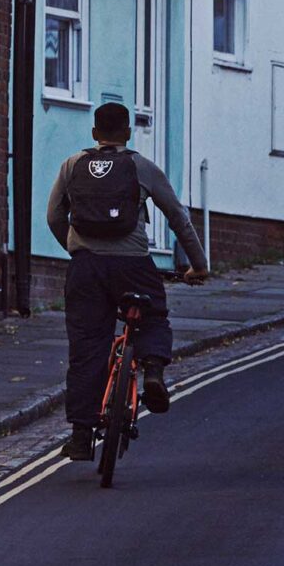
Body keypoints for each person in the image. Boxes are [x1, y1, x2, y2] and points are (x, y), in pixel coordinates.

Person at [46, 99, 208, 462]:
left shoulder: (72, 165)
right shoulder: (141, 167)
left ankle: (82, 435)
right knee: (152, 317)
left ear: (94, 133)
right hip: (132, 265)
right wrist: (198, 264)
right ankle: (152, 371)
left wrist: (77, 249)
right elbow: (177, 217)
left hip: (86, 268)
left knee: (87, 347)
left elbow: (54, 215)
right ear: (128, 132)